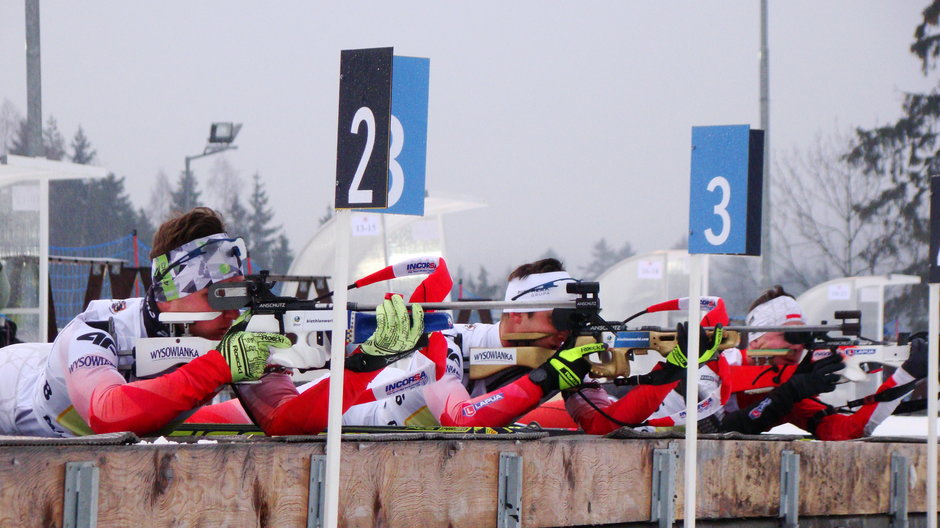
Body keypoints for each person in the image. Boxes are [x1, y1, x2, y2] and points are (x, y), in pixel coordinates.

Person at [0, 207, 419, 437]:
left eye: (240, 294)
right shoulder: (99, 329)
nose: (233, 312)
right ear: (174, 294)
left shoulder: (238, 335)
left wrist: (365, 363)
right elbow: (107, 415)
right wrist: (220, 365)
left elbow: (288, 420)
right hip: (14, 386)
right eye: (219, 296)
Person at [342, 258, 663, 428]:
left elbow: (602, 422)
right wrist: (548, 377)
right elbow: (460, 419)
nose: (569, 332)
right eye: (561, 319)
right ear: (517, 315)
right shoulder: (448, 341)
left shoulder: (564, 351)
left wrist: (669, 372)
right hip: (348, 414)